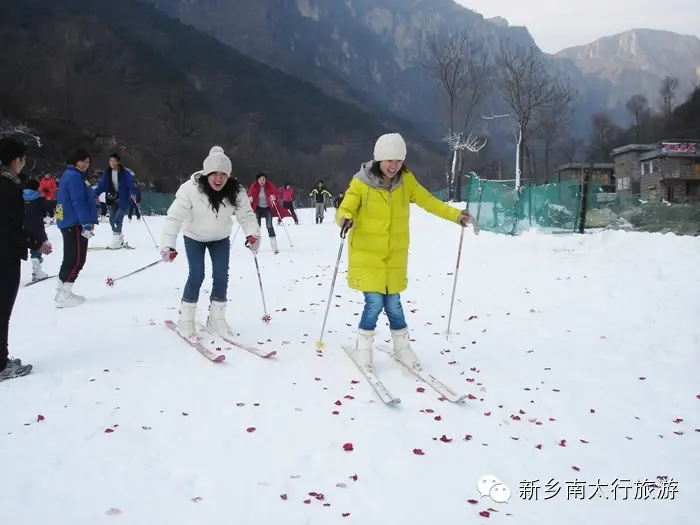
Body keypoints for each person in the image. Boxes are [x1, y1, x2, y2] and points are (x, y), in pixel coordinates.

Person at [336, 133, 470, 372]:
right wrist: (345, 218)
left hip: (394, 256)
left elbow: (429, 201)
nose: (393, 166)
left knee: (395, 304)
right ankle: (364, 348)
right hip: (367, 255)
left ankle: (402, 348)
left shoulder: (405, 181)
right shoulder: (360, 183)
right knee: (374, 303)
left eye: (398, 160)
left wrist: (456, 215)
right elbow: (346, 207)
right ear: (379, 159)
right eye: (389, 160)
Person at [160, 146, 260, 339]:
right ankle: (186, 320)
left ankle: (217, 319)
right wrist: (168, 245)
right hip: (194, 236)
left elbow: (246, 215)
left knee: (222, 276)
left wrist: (252, 234)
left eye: (224, 174)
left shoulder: (236, 191)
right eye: (214, 173)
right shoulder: (190, 189)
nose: (219, 179)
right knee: (197, 274)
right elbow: (174, 218)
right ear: (206, 173)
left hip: (220, 238)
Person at [0, 137, 51, 381]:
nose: (23, 164)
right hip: (5, 255)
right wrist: (35, 243)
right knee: (2, 309)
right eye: (22, 159)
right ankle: (1, 364)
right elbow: (10, 227)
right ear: (14, 160)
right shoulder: (7, 186)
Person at [55, 149, 98, 308]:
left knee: (70, 257)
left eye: (88, 162)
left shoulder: (73, 175)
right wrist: (86, 223)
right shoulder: (74, 176)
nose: (86, 165)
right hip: (75, 223)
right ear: (75, 161)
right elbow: (77, 201)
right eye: (83, 161)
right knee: (77, 259)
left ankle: (61, 290)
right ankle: (65, 293)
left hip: (70, 221)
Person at [94, 153, 138, 249]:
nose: (112, 163)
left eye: (114, 161)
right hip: (112, 198)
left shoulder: (125, 173)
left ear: (118, 162)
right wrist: (95, 193)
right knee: (111, 219)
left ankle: (116, 239)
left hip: (123, 199)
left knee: (117, 218)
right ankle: (120, 238)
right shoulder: (107, 173)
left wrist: (133, 193)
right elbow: (102, 185)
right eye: (110, 161)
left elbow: (131, 184)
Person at [247, 173, 291, 254]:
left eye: (263, 179)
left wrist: (274, 197)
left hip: (267, 208)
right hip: (257, 208)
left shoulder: (270, 185)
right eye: (260, 180)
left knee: (269, 225)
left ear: (266, 180)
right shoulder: (254, 186)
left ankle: (274, 247)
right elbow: (250, 194)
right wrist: (250, 198)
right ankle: (255, 247)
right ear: (257, 180)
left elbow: (276, 194)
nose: (262, 181)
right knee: (257, 227)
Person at [23, 178, 51, 281]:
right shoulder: (38, 199)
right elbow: (48, 207)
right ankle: (37, 270)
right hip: (37, 226)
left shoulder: (19, 197)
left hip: (23, 226)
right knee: (37, 246)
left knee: (32, 244)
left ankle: (36, 267)